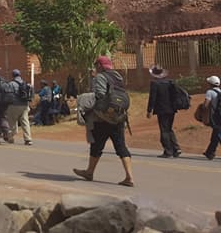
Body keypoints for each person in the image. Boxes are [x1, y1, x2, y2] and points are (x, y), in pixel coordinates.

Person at [73, 55, 134, 187]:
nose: (96, 67)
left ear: (100, 66)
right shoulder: (118, 76)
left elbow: (99, 95)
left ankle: (89, 172)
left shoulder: (100, 77)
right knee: (121, 146)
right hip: (118, 117)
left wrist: (84, 99)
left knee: (96, 146)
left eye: (96, 65)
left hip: (102, 118)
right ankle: (129, 177)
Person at [146, 64, 180, 158]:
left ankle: (168, 151)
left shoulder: (155, 83)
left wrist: (149, 110)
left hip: (162, 110)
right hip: (172, 109)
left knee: (164, 130)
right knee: (169, 129)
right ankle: (176, 148)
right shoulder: (170, 82)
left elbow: (152, 98)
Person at [5, 69, 33, 145]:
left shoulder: (11, 84)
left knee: (12, 123)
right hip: (24, 105)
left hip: (13, 105)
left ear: (13, 75)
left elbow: (7, 95)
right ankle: (28, 139)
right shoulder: (25, 83)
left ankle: (10, 137)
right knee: (25, 122)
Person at [202, 76, 221, 160]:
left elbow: (206, 105)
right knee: (216, 134)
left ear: (210, 84)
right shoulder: (220, 91)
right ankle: (210, 152)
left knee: (217, 134)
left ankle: (210, 152)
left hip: (215, 117)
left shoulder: (209, 92)